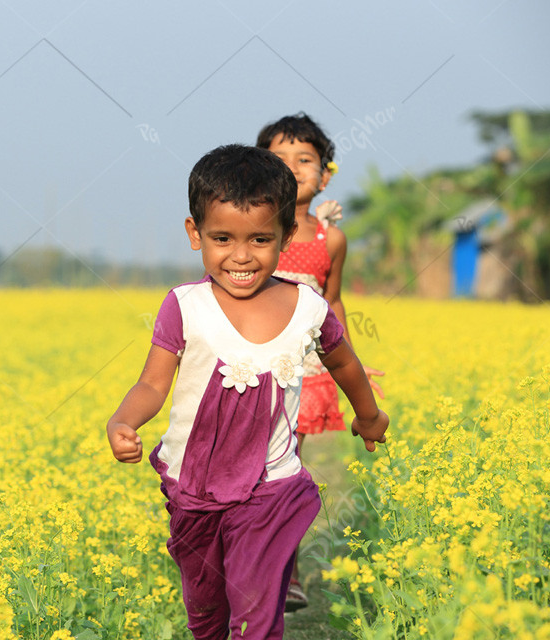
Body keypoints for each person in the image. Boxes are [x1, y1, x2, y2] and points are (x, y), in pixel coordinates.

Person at [106, 144, 388, 640]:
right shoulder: (184, 306)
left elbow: (343, 361)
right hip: (193, 485)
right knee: (206, 609)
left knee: (255, 608)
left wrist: (368, 415)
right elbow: (153, 382)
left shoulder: (308, 307)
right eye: (222, 238)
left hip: (270, 484)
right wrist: (123, 421)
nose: (241, 256)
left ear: (288, 234)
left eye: (260, 239)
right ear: (195, 234)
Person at [258, 114, 385, 610]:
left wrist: (350, 361)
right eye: (278, 160)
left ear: (325, 175)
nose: (291, 169)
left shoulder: (329, 240)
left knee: (284, 468)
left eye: (303, 160)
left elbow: (332, 306)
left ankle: (282, 573)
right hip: (247, 364)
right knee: (248, 470)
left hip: (304, 371)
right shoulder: (255, 227)